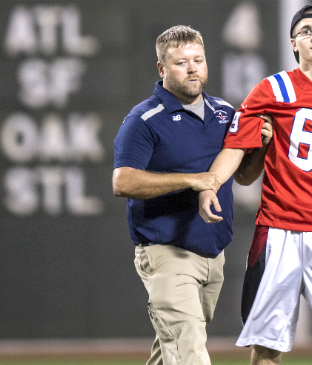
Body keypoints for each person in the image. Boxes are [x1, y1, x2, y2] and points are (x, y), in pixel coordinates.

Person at [198, 5, 312, 365]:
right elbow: (236, 146)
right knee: (267, 348)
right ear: (293, 43)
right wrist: (211, 183)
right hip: (278, 230)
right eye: (305, 30)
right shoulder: (273, 88)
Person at [112, 25, 271, 365]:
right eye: (181, 62)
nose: (193, 68)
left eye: (198, 60)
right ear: (162, 69)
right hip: (166, 252)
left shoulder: (224, 113)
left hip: (213, 253)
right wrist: (190, 180)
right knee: (190, 352)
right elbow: (122, 182)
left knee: (174, 346)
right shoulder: (144, 119)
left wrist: (261, 147)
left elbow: (243, 177)